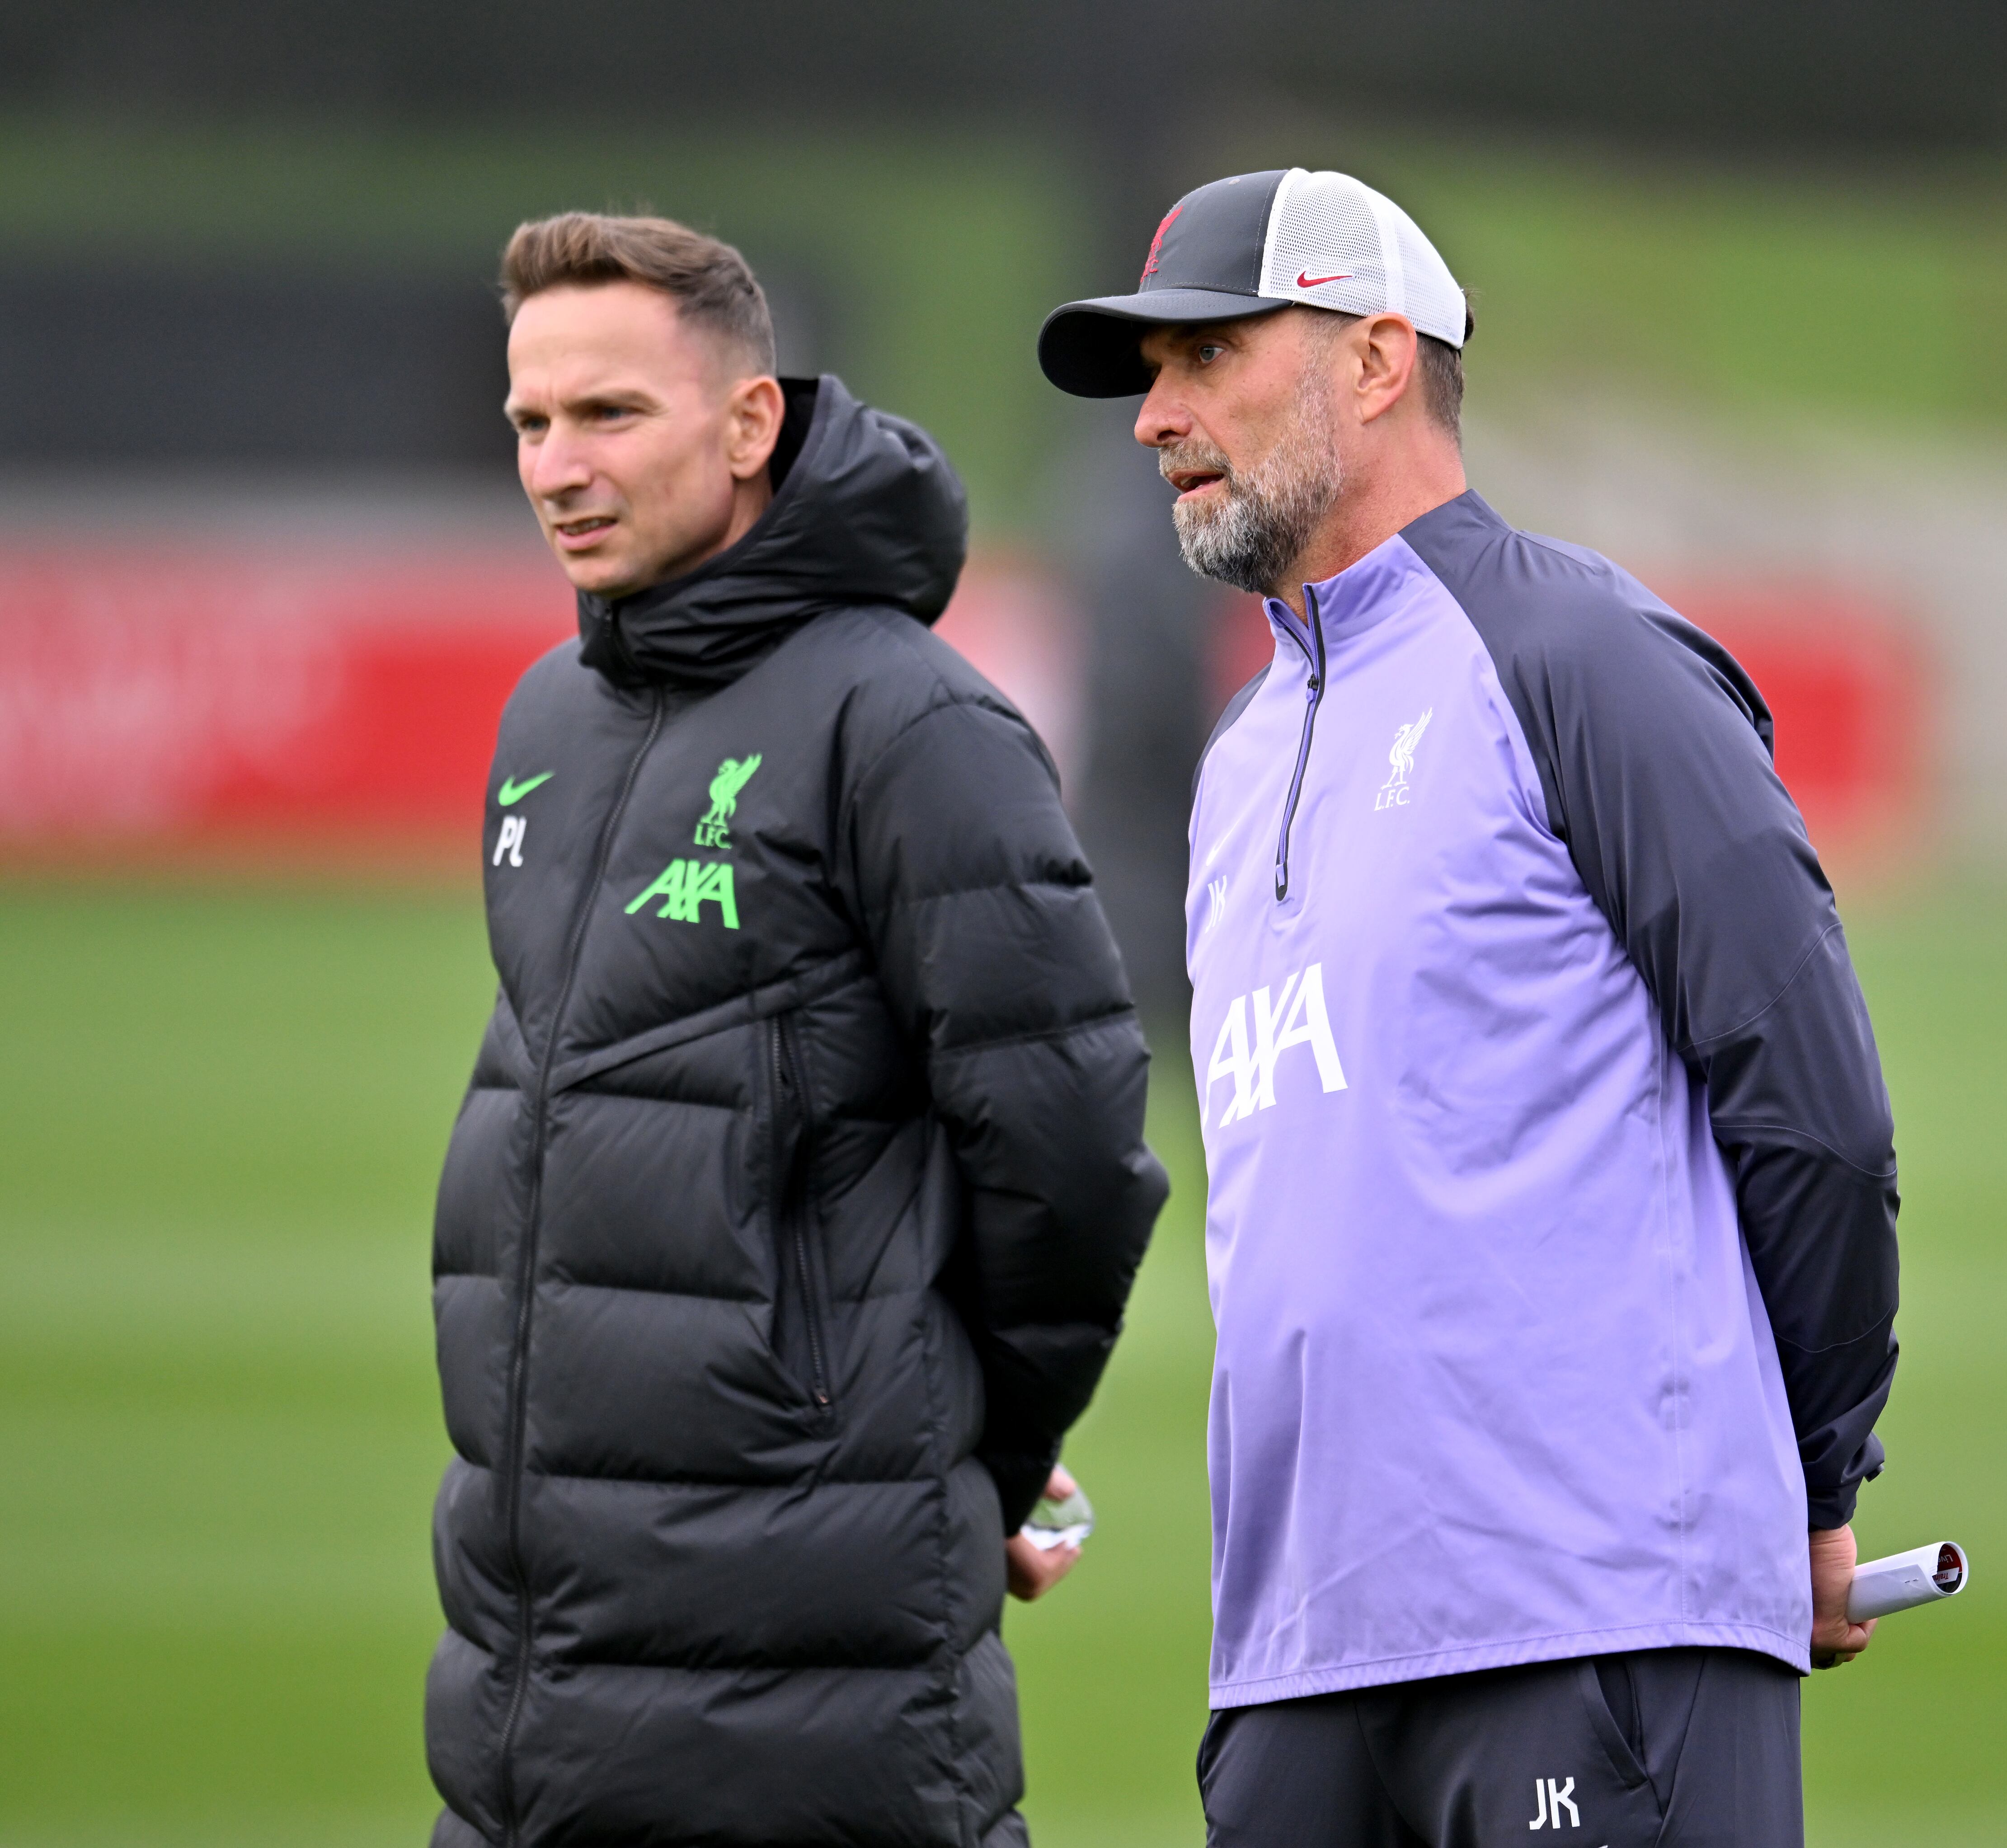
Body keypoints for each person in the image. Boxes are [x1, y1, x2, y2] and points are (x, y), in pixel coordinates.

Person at [1039, 169, 1899, 1846]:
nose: (1154, 417)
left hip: (1596, 1629)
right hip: (1295, 1653)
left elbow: (1814, 1104)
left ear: (1373, 361)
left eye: (1208, 355)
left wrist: (1810, 1485)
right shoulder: (1236, 766)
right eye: (1148, 373)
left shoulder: (1584, 657)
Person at [426, 211, 1166, 1848]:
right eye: (532, 423)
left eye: (611, 415)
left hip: (810, 1709)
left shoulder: (913, 720)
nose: (558, 467)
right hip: (528, 1700)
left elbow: (1071, 1152)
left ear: (751, 422)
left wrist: (975, 1449)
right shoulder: (550, 713)